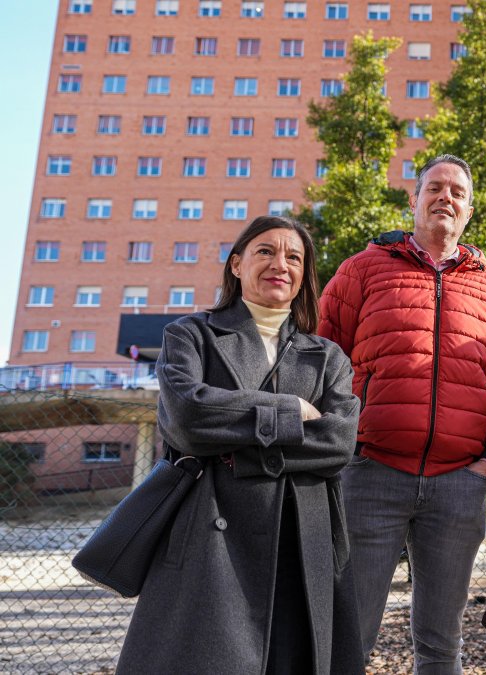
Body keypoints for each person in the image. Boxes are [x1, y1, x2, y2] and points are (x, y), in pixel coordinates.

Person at [318, 154, 486, 673]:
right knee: (348, 633)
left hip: (458, 484)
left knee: (442, 643)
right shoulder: (362, 270)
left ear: (469, 209)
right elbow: (321, 357)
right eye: (434, 188)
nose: (446, 197)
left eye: (457, 191)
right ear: (412, 200)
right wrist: (344, 443)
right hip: (370, 474)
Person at [117, 216, 363, 674]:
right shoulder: (191, 335)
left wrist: (233, 446)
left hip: (301, 535)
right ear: (236, 265)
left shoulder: (327, 357)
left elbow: (337, 442)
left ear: (304, 276)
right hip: (209, 537)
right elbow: (188, 419)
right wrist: (288, 411)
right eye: (265, 251)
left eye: (294, 257)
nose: (280, 264)